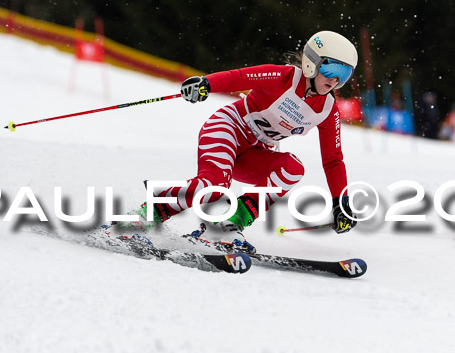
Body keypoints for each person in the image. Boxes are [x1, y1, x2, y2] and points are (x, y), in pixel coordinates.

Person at [139, 31, 359, 250]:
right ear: (312, 63)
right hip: (228, 129)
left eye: (344, 74)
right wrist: (206, 84)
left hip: (253, 151)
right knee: (215, 187)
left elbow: (333, 160)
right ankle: (138, 218)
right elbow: (239, 77)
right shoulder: (284, 77)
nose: (335, 79)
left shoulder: (328, 111)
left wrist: (341, 202)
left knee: (293, 169)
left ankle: (226, 225)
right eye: (332, 69)